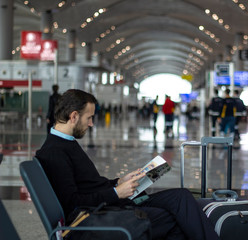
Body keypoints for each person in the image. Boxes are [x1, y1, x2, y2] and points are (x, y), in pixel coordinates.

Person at [35, 89, 219, 240]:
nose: (91, 124)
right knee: (176, 219)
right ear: (73, 116)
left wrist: (119, 181)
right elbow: (73, 203)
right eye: (89, 118)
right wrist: (116, 193)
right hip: (96, 214)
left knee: (181, 197)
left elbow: (88, 184)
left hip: (108, 202)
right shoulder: (55, 152)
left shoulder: (67, 142)